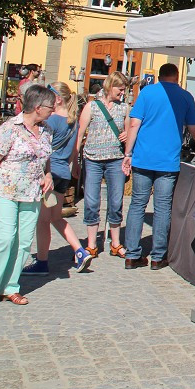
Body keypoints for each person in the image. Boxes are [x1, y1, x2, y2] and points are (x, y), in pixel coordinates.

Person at [122, 63, 195, 270]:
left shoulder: (146, 93)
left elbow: (134, 124)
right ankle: (157, 256)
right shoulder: (185, 96)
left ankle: (132, 255)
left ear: (160, 76)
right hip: (167, 160)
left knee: (137, 205)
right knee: (162, 207)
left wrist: (128, 153)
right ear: (176, 77)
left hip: (143, 157)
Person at [0, 84, 56, 310]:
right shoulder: (8, 129)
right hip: (6, 192)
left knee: (23, 243)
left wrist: (48, 174)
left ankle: (10, 287)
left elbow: (44, 158)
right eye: (50, 106)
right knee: (4, 239)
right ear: (38, 107)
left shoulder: (47, 130)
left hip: (31, 194)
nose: (53, 110)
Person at [23, 82, 91, 276]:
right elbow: (71, 153)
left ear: (57, 99)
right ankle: (79, 250)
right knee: (56, 217)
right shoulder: (73, 120)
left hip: (50, 173)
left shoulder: (51, 121)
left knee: (43, 221)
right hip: (63, 173)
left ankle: (42, 262)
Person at [75, 71, 130, 258]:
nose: (122, 93)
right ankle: (91, 243)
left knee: (116, 201)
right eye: (120, 89)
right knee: (91, 201)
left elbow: (130, 130)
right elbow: (81, 131)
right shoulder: (92, 106)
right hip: (92, 159)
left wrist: (127, 136)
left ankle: (115, 243)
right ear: (109, 86)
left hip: (115, 158)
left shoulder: (124, 108)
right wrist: (75, 158)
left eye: (124, 90)